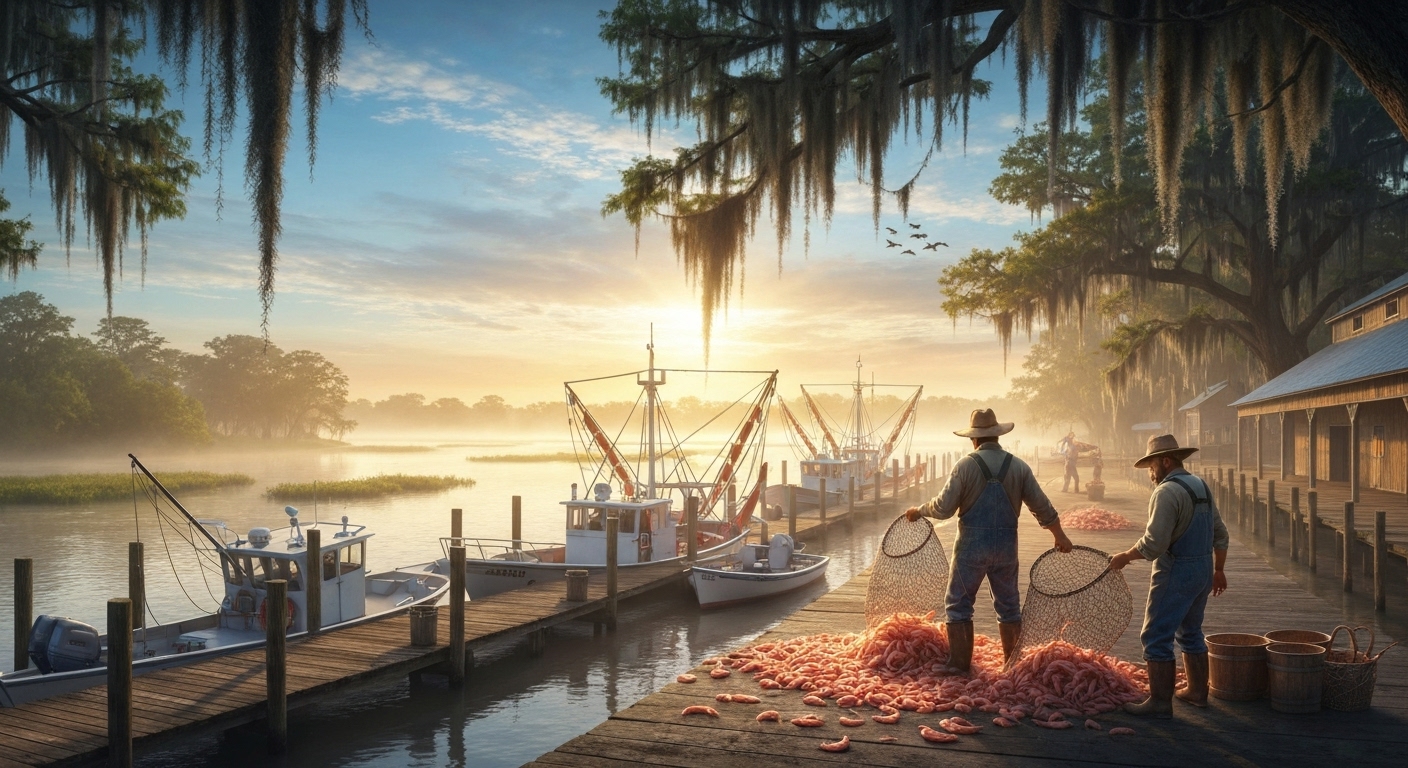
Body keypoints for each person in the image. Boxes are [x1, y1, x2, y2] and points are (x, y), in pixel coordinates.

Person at [905, 409, 1074, 672]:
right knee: (1009, 606)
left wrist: (919, 510)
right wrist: (1059, 536)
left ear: (974, 439)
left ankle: (959, 664)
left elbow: (943, 508)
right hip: (1007, 546)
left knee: (958, 605)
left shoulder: (965, 465)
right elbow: (1042, 507)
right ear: (997, 435)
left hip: (971, 547)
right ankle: (1012, 664)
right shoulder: (1018, 466)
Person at [1108, 434, 1229, 718]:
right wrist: (1219, 570)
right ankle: (1198, 693)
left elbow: (1154, 544)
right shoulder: (1201, 486)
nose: (1151, 472)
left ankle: (1160, 703)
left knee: (1156, 635)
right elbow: (1220, 534)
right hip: (1203, 570)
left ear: (1165, 461)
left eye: (1151, 465)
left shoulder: (1165, 492)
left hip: (1177, 570)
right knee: (1191, 631)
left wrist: (1125, 556)